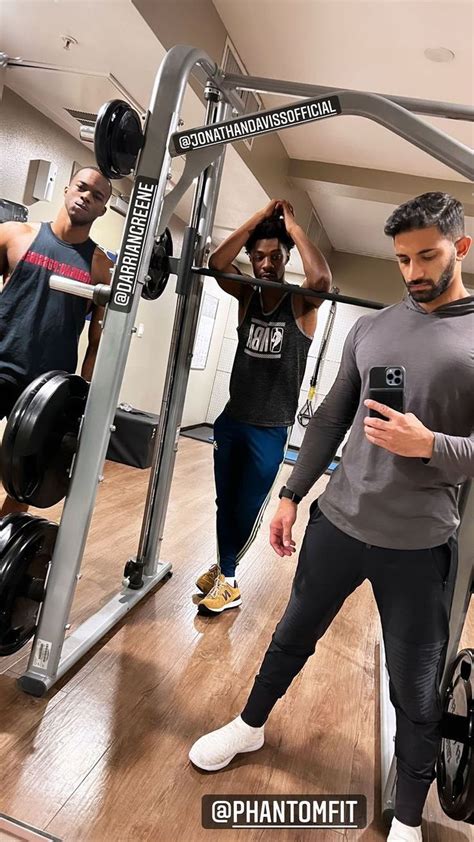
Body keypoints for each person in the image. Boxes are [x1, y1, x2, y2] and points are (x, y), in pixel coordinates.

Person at [189, 192, 474, 842]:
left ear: (460, 248)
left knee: (415, 689)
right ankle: (250, 725)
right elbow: (330, 417)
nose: (413, 272)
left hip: (417, 546)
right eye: (402, 259)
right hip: (338, 524)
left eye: (427, 256)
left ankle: (407, 820)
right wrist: (292, 494)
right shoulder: (373, 329)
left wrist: (432, 445)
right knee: (291, 635)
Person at [195, 199, 332, 616]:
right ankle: (227, 571)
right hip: (232, 419)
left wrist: (292, 227)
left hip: (270, 428)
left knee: (248, 508)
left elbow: (321, 279)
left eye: (275, 256)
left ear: (287, 257)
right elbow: (217, 263)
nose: (266, 264)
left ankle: (229, 578)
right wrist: (256, 219)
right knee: (224, 502)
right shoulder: (247, 296)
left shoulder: (300, 303)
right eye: (258, 257)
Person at [0, 166, 114, 515]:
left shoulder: (99, 266)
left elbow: (97, 340)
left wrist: (86, 397)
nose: (86, 197)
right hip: (2, 361)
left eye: (97, 196)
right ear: (67, 188)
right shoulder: (15, 234)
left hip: (48, 384)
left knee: (26, 478)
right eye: (82, 187)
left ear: (102, 209)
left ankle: (6, 539)